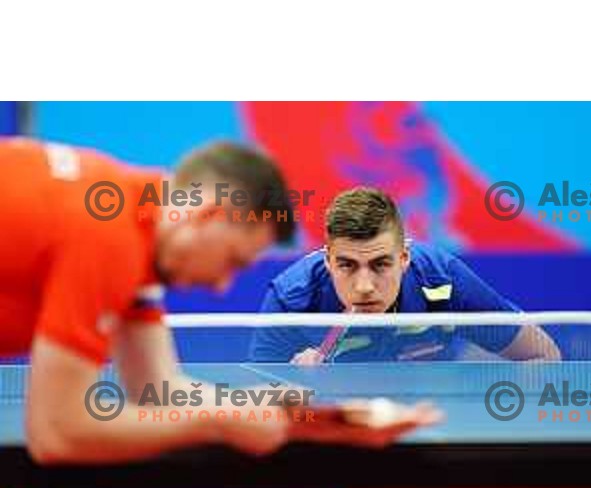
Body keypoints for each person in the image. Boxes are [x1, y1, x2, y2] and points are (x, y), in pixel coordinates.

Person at [0, 139, 438, 464]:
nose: (222, 285)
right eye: (232, 260)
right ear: (208, 215)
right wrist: (219, 420)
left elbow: (159, 391)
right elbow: (56, 433)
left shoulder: (135, 216)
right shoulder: (108, 236)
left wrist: (298, 419)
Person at [249, 187, 561, 364]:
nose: (364, 287)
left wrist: (487, 409)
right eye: (346, 265)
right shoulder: (292, 301)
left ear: (404, 258)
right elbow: (255, 407)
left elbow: (542, 355)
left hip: (434, 427)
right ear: (327, 261)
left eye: (381, 264)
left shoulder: (443, 281)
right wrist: (291, 390)